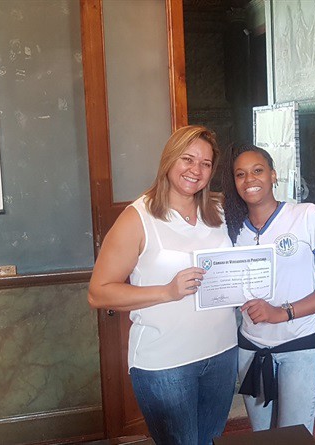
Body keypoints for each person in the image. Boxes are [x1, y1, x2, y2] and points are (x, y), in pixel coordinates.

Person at [88, 125, 238, 445]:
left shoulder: (220, 210)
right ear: (169, 160)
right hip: (166, 363)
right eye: (187, 159)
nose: (195, 170)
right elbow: (98, 293)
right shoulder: (138, 217)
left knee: (211, 441)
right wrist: (167, 292)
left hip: (222, 353)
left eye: (205, 163)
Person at [221, 144, 315, 433]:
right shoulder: (231, 229)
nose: (249, 179)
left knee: (293, 437)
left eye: (257, 170)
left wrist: (282, 312)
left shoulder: (305, 215)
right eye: (240, 174)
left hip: (301, 344)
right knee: (263, 437)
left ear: (273, 175)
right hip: (251, 348)